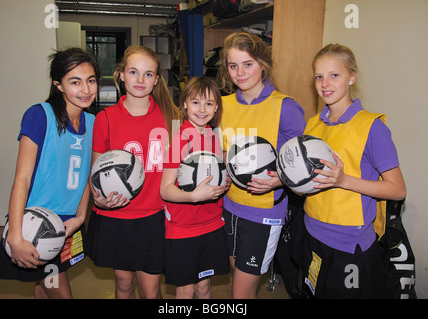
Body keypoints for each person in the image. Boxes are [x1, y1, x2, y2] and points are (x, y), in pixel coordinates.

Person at [297, 43, 406, 298]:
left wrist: (343, 180)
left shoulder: (372, 127)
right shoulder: (313, 124)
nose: (325, 83)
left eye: (335, 75)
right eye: (319, 76)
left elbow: (398, 190)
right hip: (312, 232)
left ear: (351, 77)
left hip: (349, 245)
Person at [0, 48, 99, 298]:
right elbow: (22, 178)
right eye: (75, 82)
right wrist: (17, 236)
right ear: (58, 84)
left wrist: (82, 216)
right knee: (59, 291)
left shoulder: (94, 123)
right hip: (35, 225)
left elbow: (87, 175)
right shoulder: (39, 115)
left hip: (68, 223)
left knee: (42, 285)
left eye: (91, 80)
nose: (85, 89)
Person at [86, 45, 181, 299]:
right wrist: (98, 196)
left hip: (154, 215)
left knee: (150, 290)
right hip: (117, 213)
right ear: (121, 75)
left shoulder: (171, 117)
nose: (140, 80)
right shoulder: (104, 118)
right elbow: (95, 174)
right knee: (124, 282)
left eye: (148, 74)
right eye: (133, 72)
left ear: (157, 80)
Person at [217, 32, 306, 298]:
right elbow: (222, 153)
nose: (240, 73)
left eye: (248, 64)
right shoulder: (223, 105)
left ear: (262, 65)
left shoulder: (286, 107)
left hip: (263, 212)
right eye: (233, 66)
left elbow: (302, 163)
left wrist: (280, 179)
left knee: (240, 293)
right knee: (239, 281)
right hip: (228, 206)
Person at [160, 76, 230, 299]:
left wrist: (224, 182)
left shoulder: (214, 137)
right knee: (186, 289)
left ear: (216, 107)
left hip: (211, 223)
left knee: (203, 287)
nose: (202, 109)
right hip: (183, 227)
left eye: (209, 103)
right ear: (184, 104)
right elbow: (165, 189)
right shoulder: (179, 139)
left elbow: (214, 176)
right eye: (196, 102)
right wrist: (194, 196)